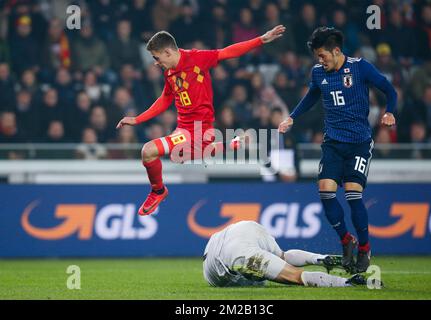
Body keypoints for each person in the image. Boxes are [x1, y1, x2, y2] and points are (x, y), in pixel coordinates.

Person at [116, 25, 286, 216]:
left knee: (148, 151)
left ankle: (158, 191)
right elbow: (165, 99)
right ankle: (231, 145)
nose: (156, 63)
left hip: (197, 129)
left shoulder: (197, 58)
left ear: (167, 52)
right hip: (182, 129)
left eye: (157, 58)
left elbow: (227, 52)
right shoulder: (170, 72)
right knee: (177, 157)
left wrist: (260, 40)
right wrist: (138, 119)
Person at [278, 27, 397, 273]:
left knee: (353, 193)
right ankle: (346, 240)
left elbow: (389, 89)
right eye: (317, 57)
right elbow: (311, 96)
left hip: (359, 143)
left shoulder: (360, 67)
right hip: (333, 143)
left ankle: (364, 247)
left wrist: (390, 111)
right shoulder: (318, 73)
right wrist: (292, 117)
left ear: (336, 51)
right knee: (326, 191)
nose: (319, 61)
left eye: (322, 55)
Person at [202, 220, 366, 288]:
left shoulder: (236, 266)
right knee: (285, 258)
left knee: (294, 275)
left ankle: (344, 280)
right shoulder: (245, 261)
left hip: (227, 252)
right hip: (245, 227)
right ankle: (322, 259)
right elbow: (286, 261)